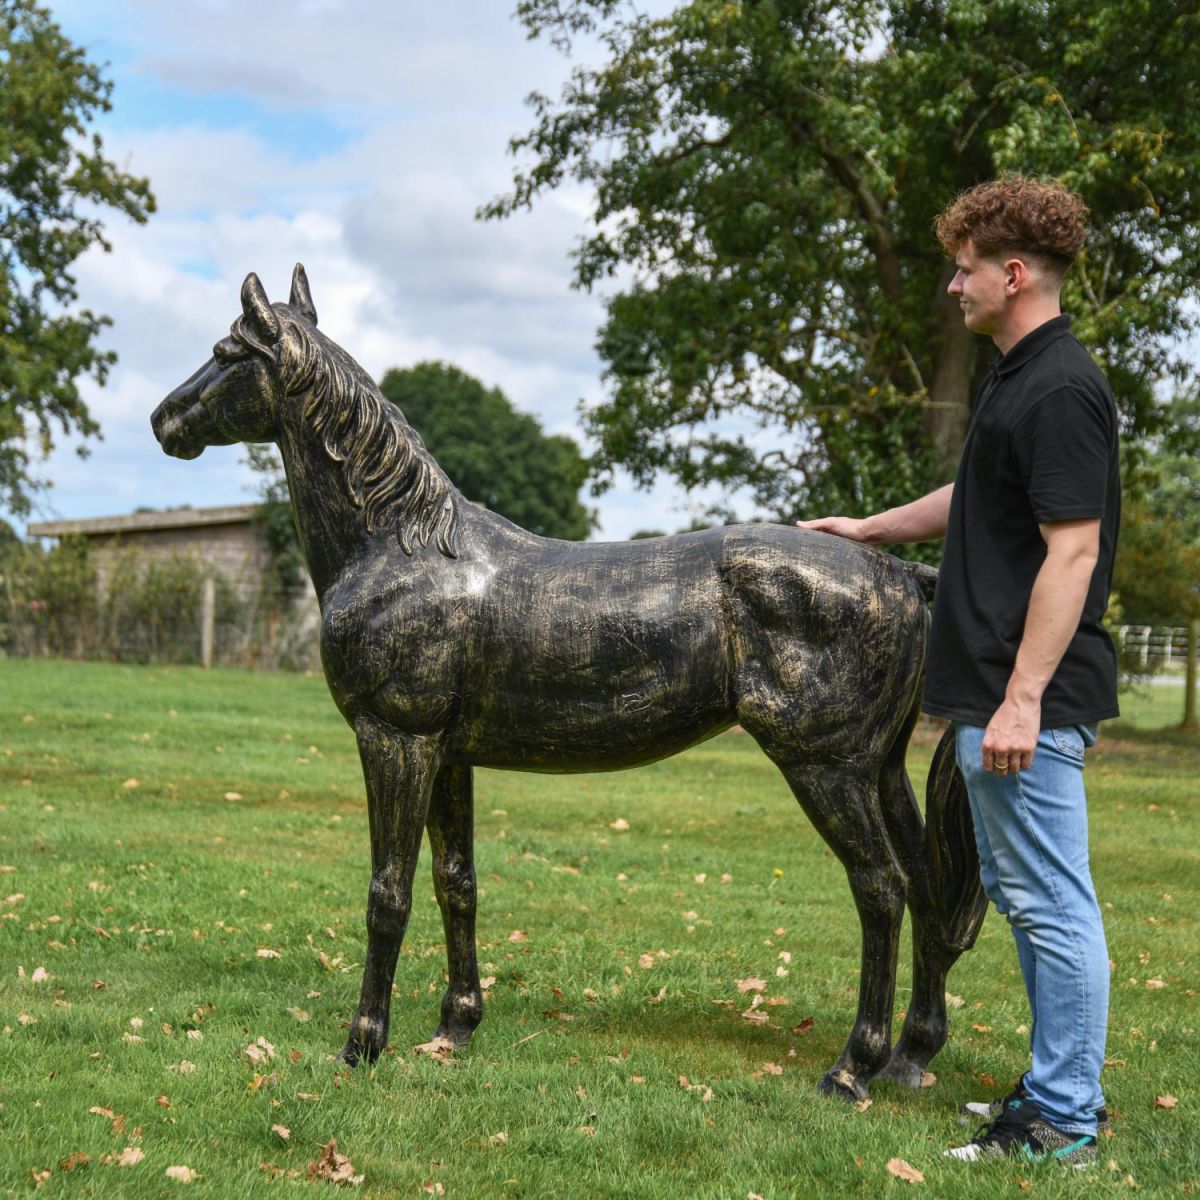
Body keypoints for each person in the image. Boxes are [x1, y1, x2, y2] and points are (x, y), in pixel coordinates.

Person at [798, 176, 1120, 1167]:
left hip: (1025, 701)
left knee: (1054, 905)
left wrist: (1022, 699)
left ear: (1013, 274)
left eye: (966, 268)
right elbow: (977, 491)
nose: (952, 286)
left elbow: (1074, 552)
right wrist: (871, 527)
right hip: (990, 696)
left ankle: (1064, 1116)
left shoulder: (1062, 388)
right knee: (1026, 900)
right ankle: (1055, 1088)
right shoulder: (1015, 378)